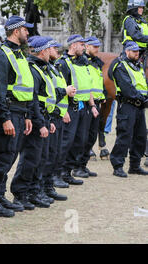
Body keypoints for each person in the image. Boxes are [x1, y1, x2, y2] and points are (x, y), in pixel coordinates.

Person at [0, 15, 34, 214]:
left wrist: (28, 114)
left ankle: (0, 196)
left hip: (20, 112)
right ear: (15, 31)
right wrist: (3, 119)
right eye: (25, 29)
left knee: (9, 157)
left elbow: (25, 88)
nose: (27, 32)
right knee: (0, 157)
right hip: (9, 113)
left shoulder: (18, 54)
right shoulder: (1, 55)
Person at [10, 36, 57, 208]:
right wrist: (40, 123)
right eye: (49, 49)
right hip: (37, 119)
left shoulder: (41, 69)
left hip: (44, 117)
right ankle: (21, 193)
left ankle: (33, 191)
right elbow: (34, 100)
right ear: (43, 51)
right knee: (30, 158)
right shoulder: (34, 69)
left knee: (40, 158)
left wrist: (48, 120)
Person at [55, 34, 98, 184]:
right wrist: (64, 111)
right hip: (70, 108)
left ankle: (67, 172)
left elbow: (88, 86)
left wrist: (92, 105)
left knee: (80, 141)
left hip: (83, 108)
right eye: (81, 44)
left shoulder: (84, 62)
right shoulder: (63, 63)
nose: (84, 47)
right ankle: (57, 174)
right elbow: (61, 88)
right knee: (66, 141)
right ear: (73, 45)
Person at [109, 41, 148, 177]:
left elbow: (143, 85)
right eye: (134, 51)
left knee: (140, 136)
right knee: (124, 135)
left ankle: (135, 165)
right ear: (126, 51)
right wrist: (143, 99)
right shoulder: (121, 66)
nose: (137, 53)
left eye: (138, 51)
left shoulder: (138, 66)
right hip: (127, 105)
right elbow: (127, 88)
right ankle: (118, 166)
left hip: (139, 107)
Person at [45, 37, 74, 199]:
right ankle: (40, 188)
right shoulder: (49, 68)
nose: (58, 51)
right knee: (45, 155)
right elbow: (49, 94)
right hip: (49, 115)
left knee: (53, 153)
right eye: (55, 48)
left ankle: (48, 187)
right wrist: (65, 91)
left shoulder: (53, 68)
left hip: (58, 114)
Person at [76, 36, 105, 177]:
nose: (97, 50)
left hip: (97, 103)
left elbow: (97, 83)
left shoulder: (96, 63)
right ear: (87, 47)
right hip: (87, 103)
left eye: (98, 47)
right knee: (83, 137)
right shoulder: (82, 62)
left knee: (92, 136)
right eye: (94, 47)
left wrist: (103, 95)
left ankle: (83, 164)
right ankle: (76, 166)